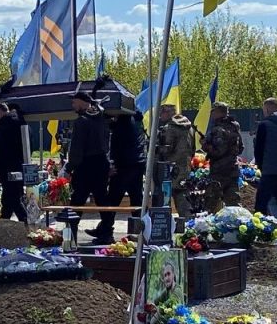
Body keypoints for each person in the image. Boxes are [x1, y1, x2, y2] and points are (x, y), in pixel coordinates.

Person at [87, 112, 146, 244]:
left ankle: (106, 232)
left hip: (124, 166)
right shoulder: (134, 121)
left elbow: (118, 147)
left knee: (113, 200)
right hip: (136, 164)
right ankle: (142, 232)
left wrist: (111, 165)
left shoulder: (122, 125)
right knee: (136, 200)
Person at [64, 92, 110, 220]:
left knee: (77, 200)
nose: (73, 105)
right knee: (102, 199)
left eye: (74, 102)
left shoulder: (81, 121)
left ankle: (72, 229)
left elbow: (76, 148)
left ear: (81, 102)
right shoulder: (101, 118)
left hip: (85, 165)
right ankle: (107, 228)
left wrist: (69, 168)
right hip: (101, 162)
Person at [0, 100, 27, 221]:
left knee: (13, 200)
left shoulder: (3, 126)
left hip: (7, 168)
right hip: (19, 166)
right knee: (8, 200)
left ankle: (27, 223)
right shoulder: (19, 121)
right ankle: (4, 222)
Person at [201, 102, 244, 212]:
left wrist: (205, 145)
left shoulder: (218, 129)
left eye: (213, 111)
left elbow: (218, 151)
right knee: (234, 204)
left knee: (211, 203)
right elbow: (240, 148)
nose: (211, 114)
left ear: (218, 112)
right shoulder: (235, 126)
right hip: (232, 169)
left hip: (219, 171)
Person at [157, 104, 195, 218]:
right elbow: (193, 148)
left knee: (167, 197)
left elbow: (166, 149)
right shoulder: (189, 127)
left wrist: (155, 147)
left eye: (161, 113)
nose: (160, 116)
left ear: (168, 113)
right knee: (183, 194)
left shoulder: (169, 128)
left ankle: (168, 222)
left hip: (171, 168)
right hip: (185, 166)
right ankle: (188, 220)